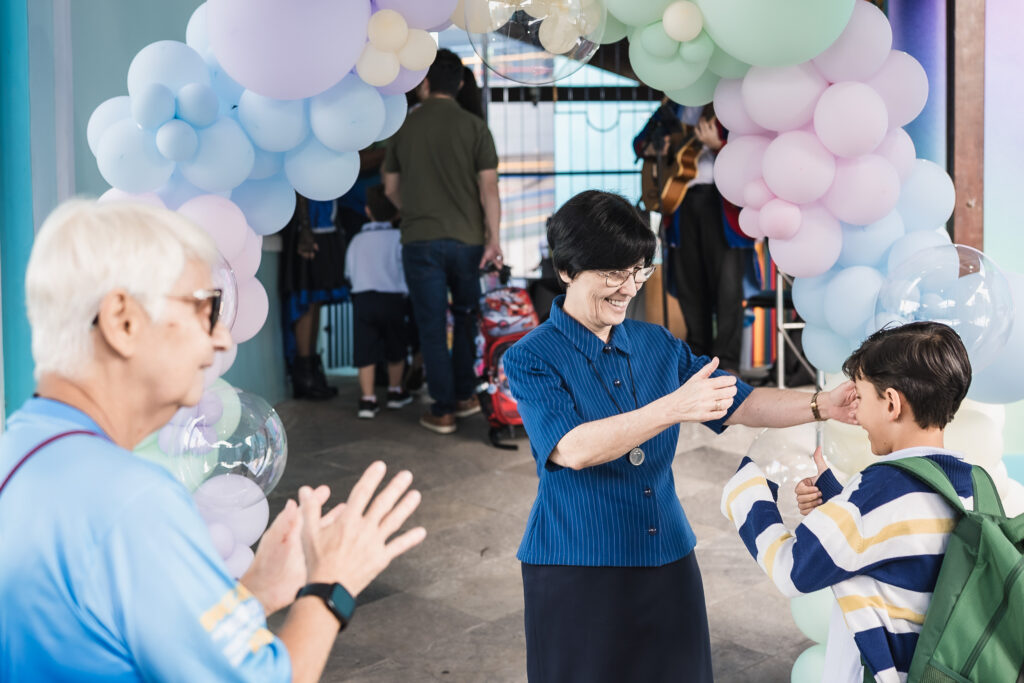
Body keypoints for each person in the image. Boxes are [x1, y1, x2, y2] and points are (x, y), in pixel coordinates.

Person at [0, 200, 427, 682]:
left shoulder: (19, 451)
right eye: (207, 308)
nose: (222, 340)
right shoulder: (135, 503)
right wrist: (332, 585)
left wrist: (254, 593)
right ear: (122, 320)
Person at [503, 190, 857, 683]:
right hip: (577, 562)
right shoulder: (531, 356)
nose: (628, 288)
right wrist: (674, 407)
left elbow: (741, 402)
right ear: (566, 270)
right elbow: (573, 448)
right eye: (612, 273)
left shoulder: (656, 344)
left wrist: (822, 404)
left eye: (639, 270)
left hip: (666, 553)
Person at [722, 322, 976, 683]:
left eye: (861, 396)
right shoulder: (970, 481)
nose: (855, 414)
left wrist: (746, 492)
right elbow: (904, 546)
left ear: (891, 403)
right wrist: (839, 500)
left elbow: (792, 570)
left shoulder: (879, 489)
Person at [384, 48, 503, 435]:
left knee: (432, 325)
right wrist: (494, 240)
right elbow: (489, 189)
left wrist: (413, 209)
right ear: (461, 84)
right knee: (467, 317)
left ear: (425, 82)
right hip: (468, 242)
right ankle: (466, 396)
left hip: (420, 241)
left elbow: (390, 189)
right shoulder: (475, 128)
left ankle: (443, 408)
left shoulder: (404, 126)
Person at [634, 102, 754, 372]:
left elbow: (748, 153)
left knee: (727, 287)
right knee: (690, 283)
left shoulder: (724, 107)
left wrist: (717, 144)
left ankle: (728, 364)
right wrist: (656, 148)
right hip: (681, 204)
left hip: (721, 203)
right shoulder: (672, 108)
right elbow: (639, 143)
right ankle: (698, 360)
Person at [345, 185, 412, 419]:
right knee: (396, 347)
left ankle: (367, 399)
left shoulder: (356, 241)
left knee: (365, 350)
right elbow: (405, 269)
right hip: (393, 299)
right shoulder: (399, 238)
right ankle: (394, 392)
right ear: (396, 213)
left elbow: (350, 273)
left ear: (367, 210)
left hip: (364, 300)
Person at [279, 193, 348, 400]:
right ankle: (304, 373)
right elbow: (301, 186)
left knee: (316, 301)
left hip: (324, 223)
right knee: (307, 299)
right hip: (310, 227)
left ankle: (311, 370)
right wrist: (306, 229)